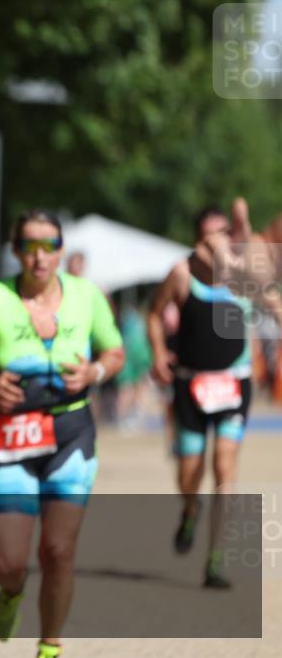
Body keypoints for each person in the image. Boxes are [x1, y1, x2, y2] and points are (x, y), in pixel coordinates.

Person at [0, 210, 125, 658]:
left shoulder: (88, 298)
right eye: (30, 246)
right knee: (6, 563)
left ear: (61, 250)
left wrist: (94, 371)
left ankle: (49, 646)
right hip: (12, 440)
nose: (40, 257)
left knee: (58, 551)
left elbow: (115, 351)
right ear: (16, 251)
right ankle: (11, 592)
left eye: (49, 246)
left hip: (71, 434)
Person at [147, 199, 281, 589]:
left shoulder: (243, 277)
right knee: (191, 474)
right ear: (197, 242)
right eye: (213, 237)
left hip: (233, 385)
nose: (222, 245)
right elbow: (154, 314)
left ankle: (215, 559)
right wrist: (157, 351)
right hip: (190, 385)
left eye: (228, 234)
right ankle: (190, 509)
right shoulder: (182, 275)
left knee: (225, 468)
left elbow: (272, 302)